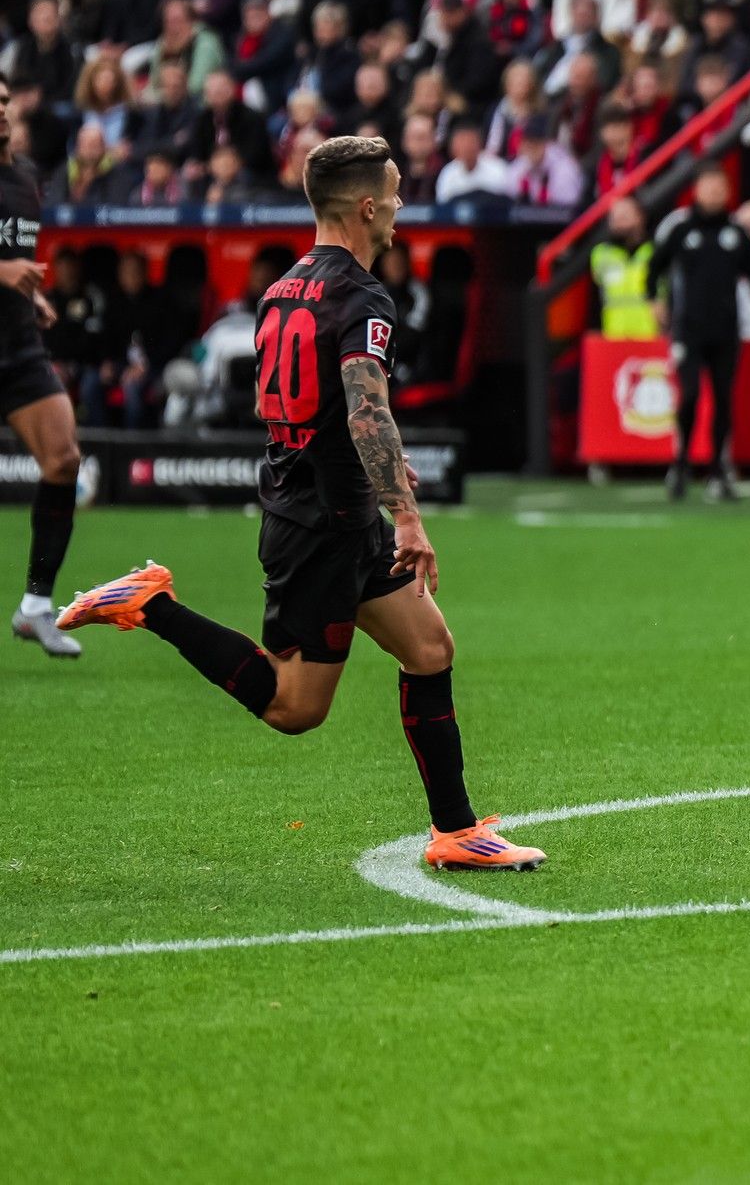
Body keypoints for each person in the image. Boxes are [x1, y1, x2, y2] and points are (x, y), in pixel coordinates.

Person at [58, 136, 545, 872]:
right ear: (368, 207)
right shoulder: (363, 297)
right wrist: (409, 517)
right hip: (318, 528)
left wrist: (378, 474)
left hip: (338, 512)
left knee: (429, 650)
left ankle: (456, 830)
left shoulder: (282, 289)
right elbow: (365, 410)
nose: (402, 205)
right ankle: (152, 604)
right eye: (396, 192)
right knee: (294, 708)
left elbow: (284, 405)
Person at [0, 79, 82, 658]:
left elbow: (17, 257)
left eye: (4, 101)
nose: (1, 111)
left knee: (64, 460)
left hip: (18, 347)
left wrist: (31, 294)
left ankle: (35, 606)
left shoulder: (26, 176)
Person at [654, 163, 750, 502]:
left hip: (725, 330)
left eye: (720, 188)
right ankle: (680, 462)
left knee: (723, 399)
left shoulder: (736, 233)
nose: (715, 194)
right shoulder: (680, 228)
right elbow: (655, 266)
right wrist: (655, 300)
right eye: (709, 187)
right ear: (697, 190)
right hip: (688, 329)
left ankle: (718, 470)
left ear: (728, 191)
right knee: (689, 394)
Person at [590, 196, 658, 339]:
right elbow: (594, 299)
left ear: (640, 217)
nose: (619, 221)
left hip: (651, 337)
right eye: (615, 217)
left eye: (625, 216)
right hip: (613, 336)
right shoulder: (600, 254)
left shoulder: (656, 252)